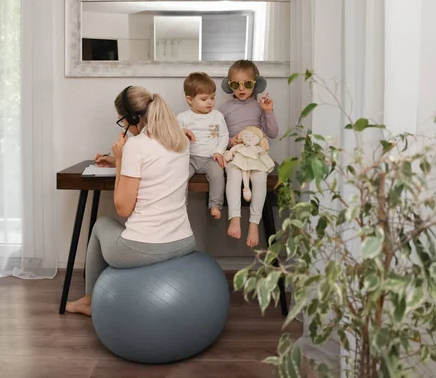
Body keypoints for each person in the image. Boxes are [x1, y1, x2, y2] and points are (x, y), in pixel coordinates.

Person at [66, 86, 196, 316]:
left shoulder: (136, 146)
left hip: (143, 248)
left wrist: (121, 159)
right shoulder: (181, 141)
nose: (124, 127)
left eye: (122, 121)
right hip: (184, 241)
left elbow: (123, 208)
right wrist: (119, 161)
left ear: (133, 117)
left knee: (100, 224)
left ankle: (88, 300)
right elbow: (155, 166)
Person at [218, 60, 279, 247]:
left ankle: (254, 222)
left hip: (257, 153)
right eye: (236, 85)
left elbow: (273, 133)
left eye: (248, 84)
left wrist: (268, 112)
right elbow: (219, 135)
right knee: (233, 176)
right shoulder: (225, 108)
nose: (241, 88)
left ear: (256, 84)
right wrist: (230, 141)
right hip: (236, 153)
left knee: (260, 179)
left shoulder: (260, 107)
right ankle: (234, 217)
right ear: (229, 86)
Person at [176, 72, 229, 219]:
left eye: (212, 97)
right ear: (190, 100)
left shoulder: (217, 116)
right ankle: (181, 206)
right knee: (180, 176)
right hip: (190, 158)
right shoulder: (183, 117)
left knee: (218, 175)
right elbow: (171, 134)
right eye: (204, 99)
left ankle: (215, 205)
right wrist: (182, 131)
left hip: (210, 158)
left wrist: (219, 152)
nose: (210, 102)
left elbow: (224, 136)